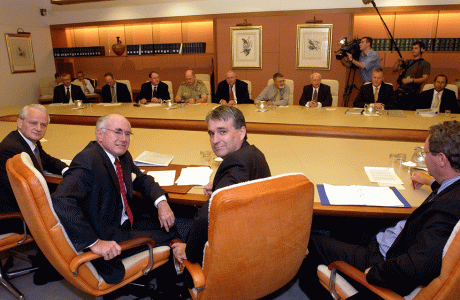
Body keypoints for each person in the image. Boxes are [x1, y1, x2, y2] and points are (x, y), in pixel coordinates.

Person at [299, 120, 460, 299]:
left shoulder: (447, 210)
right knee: (346, 225)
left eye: (426, 152)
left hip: (382, 259)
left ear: (442, 159)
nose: (424, 156)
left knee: (309, 240)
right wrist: (430, 180)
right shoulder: (452, 187)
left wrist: (375, 273)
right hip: (390, 241)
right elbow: (447, 189)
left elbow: (418, 265)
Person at [52, 114, 181, 285]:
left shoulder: (121, 155)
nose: (124, 139)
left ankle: (165, 282)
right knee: (171, 233)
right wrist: (94, 243)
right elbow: (61, 199)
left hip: (124, 221)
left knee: (173, 222)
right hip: (108, 236)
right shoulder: (88, 159)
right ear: (100, 134)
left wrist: (161, 202)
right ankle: (166, 290)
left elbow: (141, 179)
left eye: (127, 134)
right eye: (118, 132)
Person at [171, 106, 271, 270]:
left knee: (173, 228)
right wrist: (219, 186)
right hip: (252, 231)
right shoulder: (253, 153)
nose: (215, 140)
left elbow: (206, 218)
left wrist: (189, 250)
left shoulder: (237, 164)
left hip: (233, 249)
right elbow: (241, 186)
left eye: (222, 131)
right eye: (211, 133)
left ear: (241, 131)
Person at [0, 104, 68, 285]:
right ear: (19, 122)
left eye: (43, 125)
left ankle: (47, 258)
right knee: (66, 212)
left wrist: (67, 169)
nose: (38, 128)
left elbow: (45, 159)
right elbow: (26, 197)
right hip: (11, 214)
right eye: (33, 123)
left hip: (18, 203)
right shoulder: (12, 148)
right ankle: (46, 270)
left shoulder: (25, 141)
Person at [393, 41, 431, 110]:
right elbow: (395, 69)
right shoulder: (408, 62)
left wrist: (411, 80)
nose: (413, 50)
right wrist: (398, 61)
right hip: (402, 90)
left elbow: (425, 78)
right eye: (413, 48)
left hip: (414, 93)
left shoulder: (425, 63)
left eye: (416, 48)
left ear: (422, 50)